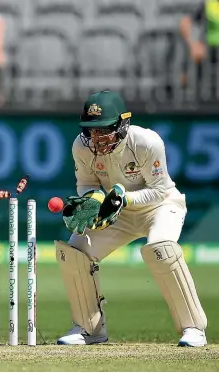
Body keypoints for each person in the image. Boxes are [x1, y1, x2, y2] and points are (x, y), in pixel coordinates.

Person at [55, 90, 207, 347]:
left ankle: (194, 328)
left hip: (160, 206)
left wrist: (124, 198)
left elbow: (159, 189)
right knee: (75, 251)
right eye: (92, 130)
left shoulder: (147, 142)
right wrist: (93, 200)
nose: (97, 138)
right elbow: (86, 184)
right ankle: (89, 329)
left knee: (161, 248)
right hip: (118, 212)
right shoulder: (81, 146)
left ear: (122, 124)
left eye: (104, 130)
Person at [179, 0, 219, 98]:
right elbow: (196, 19)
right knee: (205, 70)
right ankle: (204, 94)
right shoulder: (209, 3)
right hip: (209, 43)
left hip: (211, 42)